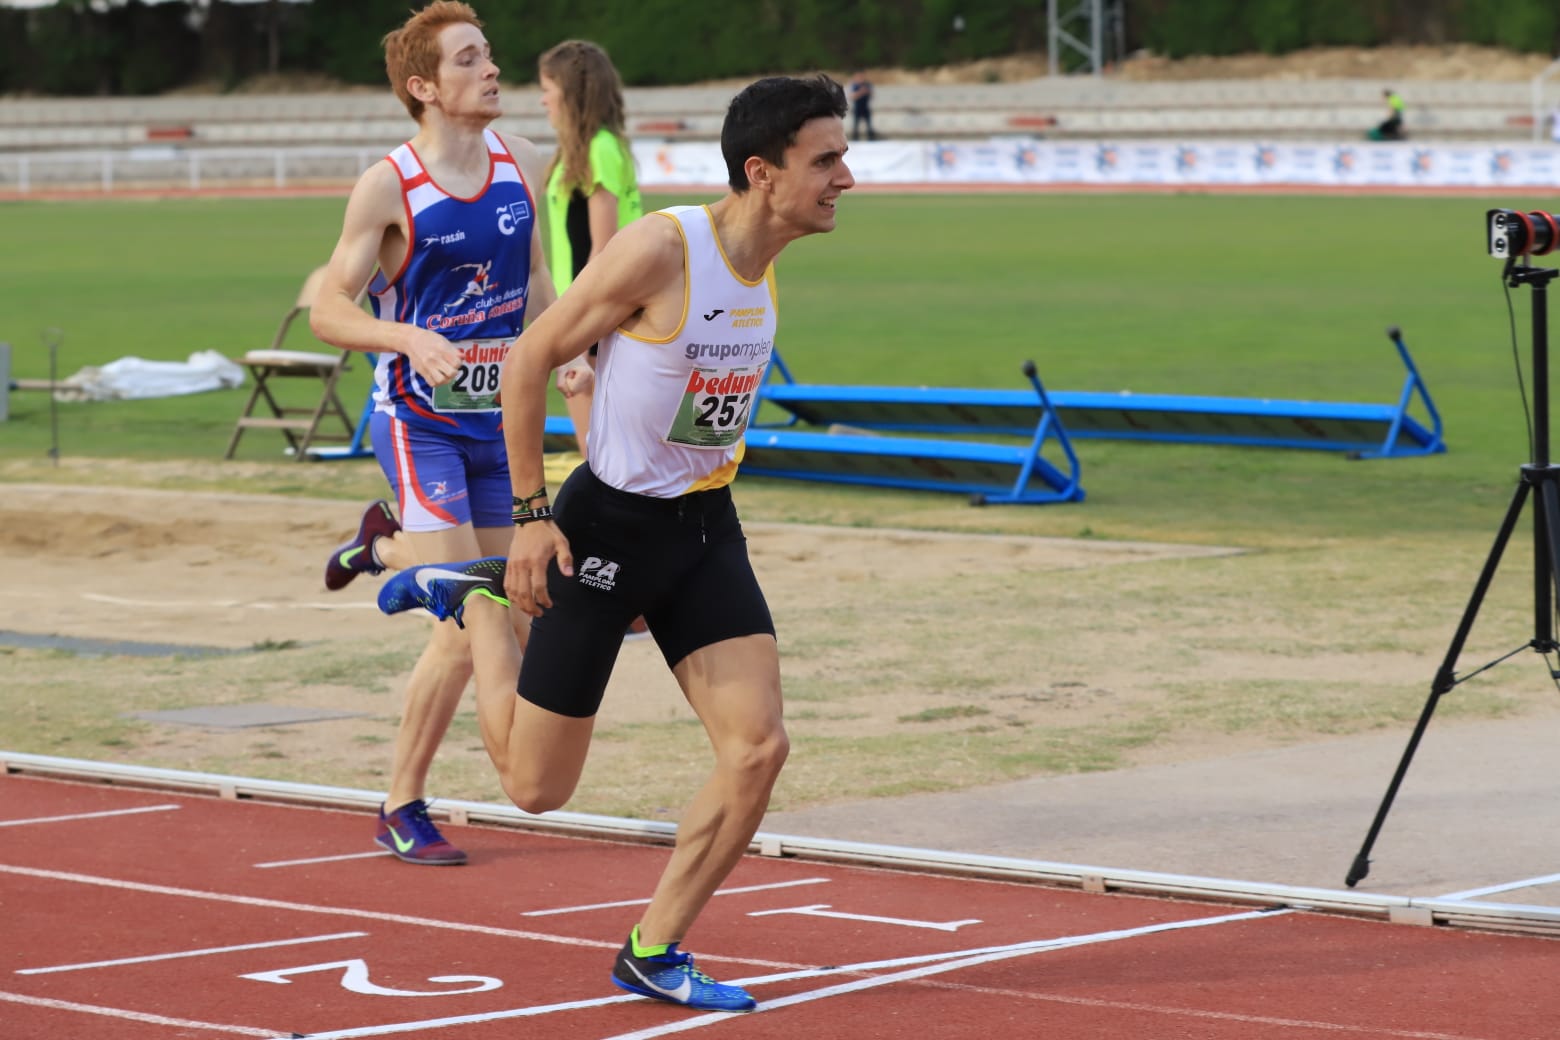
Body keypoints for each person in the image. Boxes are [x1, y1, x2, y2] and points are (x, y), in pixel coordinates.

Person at [376, 73, 855, 1012]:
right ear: (762, 173)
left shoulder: (763, 262)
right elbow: (527, 360)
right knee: (534, 788)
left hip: (705, 530)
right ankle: (477, 603)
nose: (846, 177)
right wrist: (527, 518)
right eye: (826, 160)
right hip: (601, 530)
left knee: (757, 749)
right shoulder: (664, 249)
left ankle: (654, 948)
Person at [311, 0, 555, 866]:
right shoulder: (391, 184)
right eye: (468, 60)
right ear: (423, 86)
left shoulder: (524, 161)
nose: (491, 70)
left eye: (489, 54)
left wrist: (571, 354)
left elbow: (536, 286)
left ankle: (382, 550)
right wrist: (407, 335)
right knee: (468, 615)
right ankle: (401, 802)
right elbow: (329, 308)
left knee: (507, 607)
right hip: (419, 426)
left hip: (500, 427)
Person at [537, 38, 643, 456]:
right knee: (605, 453)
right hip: (589, 310)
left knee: (601, 455)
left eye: (547, 88)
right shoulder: (589, 148)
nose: (543, 99)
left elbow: (602, 247)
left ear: (571, 91)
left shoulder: (598, 148)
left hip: (596, 313)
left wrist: (576, 339)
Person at [847, 69, 876, 141]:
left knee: (869, 126)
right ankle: (855, 140)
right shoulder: (854, 85)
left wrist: (867, 91)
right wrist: (861, 92)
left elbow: (872, 95)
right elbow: (852, 96)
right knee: (855, 126)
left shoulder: (868, 85)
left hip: (866, 107)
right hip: (857, 108)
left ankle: (871, 140)